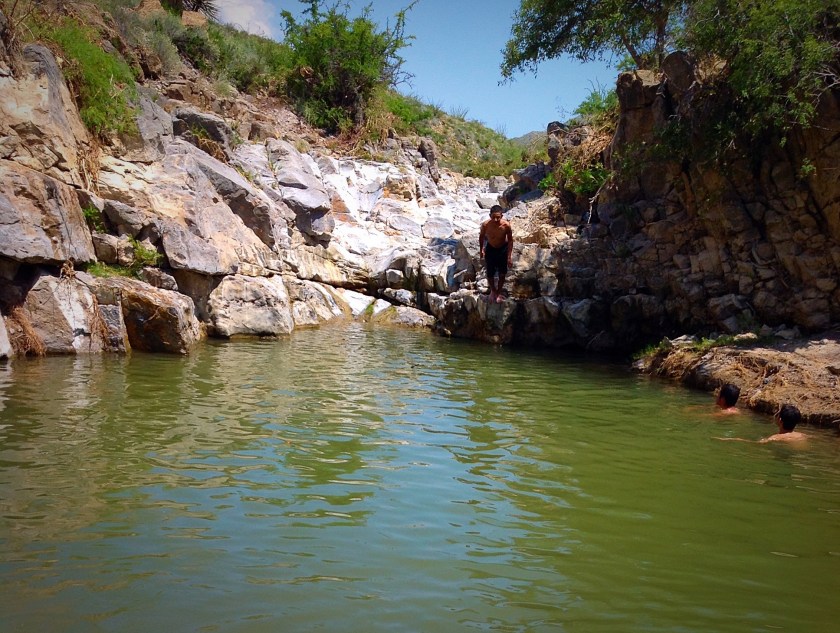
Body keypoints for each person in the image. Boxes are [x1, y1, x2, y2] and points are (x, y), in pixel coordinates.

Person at [479, 205, 513, 303]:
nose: (495, 219)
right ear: (490, 215)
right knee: (490, 273)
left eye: (498, 217)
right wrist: (481, 249)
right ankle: (493, 291)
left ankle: (498, 292)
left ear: (502, 216)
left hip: (503, 248)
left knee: (502, 273)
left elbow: (510, 240)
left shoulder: (506, 225)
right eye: (493, 217)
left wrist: (509, 257)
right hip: (491, 248)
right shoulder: (485, 225)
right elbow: (481, 237)